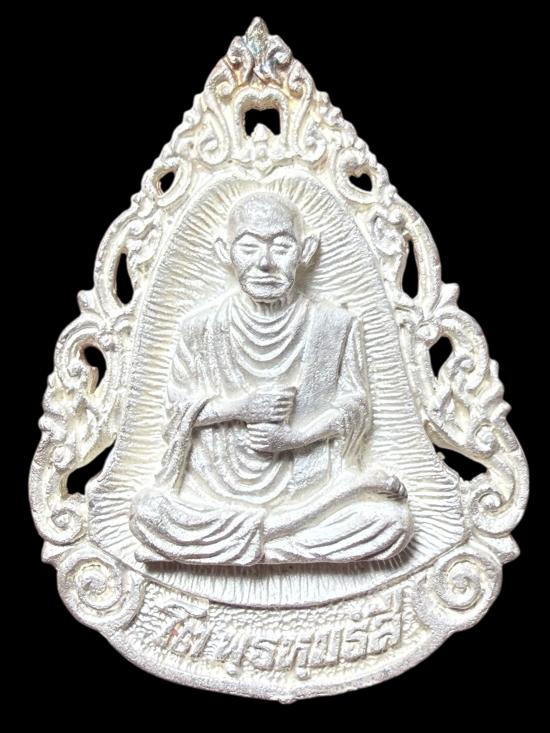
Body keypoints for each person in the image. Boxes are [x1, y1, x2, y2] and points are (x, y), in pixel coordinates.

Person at [129, 191, 414, 564]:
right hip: (214, 493)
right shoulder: (198, 329)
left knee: (393, 523)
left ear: (305, 251)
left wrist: (296, 438)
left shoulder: (334, 326)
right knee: (147, 512)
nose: (264, 263)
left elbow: (355, 409)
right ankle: (276, 542)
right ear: (225, 252)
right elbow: (176, 412)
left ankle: (239, 546)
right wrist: (240, 408)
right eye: (248, 247)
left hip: (309, 486)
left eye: (281, 247)